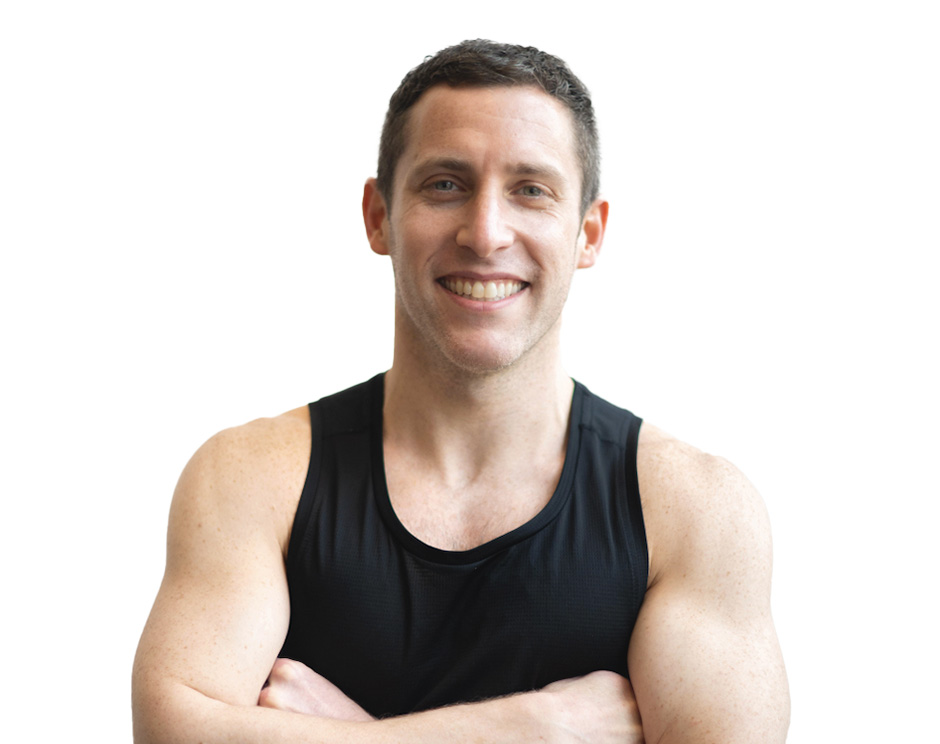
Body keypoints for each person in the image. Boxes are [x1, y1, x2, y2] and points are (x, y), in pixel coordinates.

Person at [132, 39, 789, 743]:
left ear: (588, 234)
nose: (485, 233)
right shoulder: (253, 479)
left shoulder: (692, 509)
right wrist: (533, 729)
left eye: (531, 190)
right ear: (378, 216)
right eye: (445, 184)